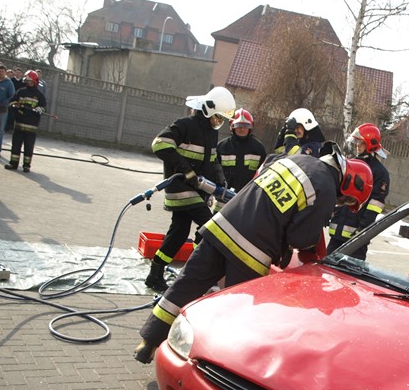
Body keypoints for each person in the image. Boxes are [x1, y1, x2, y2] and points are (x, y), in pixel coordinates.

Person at [133, 142, 374, 363]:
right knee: (237, 314)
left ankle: (149, 341)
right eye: (346, 201)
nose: (340, 204)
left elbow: (265, 168)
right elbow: (300, 238)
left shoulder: (297, 159)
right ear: (349, 183)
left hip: (220, 228)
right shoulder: (326, 188)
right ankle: (215, 363)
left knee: (186, 285)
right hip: (251, 252)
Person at [144, 86, 236, 292]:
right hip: (180, 188)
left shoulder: (211, 134)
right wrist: (186, 170)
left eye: (221, 119)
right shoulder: (185, 125)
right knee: (209, 225)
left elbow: (212, 160)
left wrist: (220, 180)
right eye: (217, 117)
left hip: (197, 189)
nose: (218, 122)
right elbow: (159, 144)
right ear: (208, 110)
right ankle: (194, 271)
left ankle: (155, 272)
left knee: (179, 232)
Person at [326, 123, 391, 259]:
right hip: (336, 234)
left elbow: (375, 206)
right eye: (356, 142)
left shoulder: (380, 173)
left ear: (370, 144)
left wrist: (361, 233)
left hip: (355, 242)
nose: (357, 145)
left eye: (361, 143)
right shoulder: (350, 164)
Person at [214, 108, 267, 212]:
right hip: (223, 199)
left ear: (251, 127)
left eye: (246, 126)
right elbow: (214, 170)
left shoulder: (259, 149)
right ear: (232, 126)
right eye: (238, 125)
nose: (242, 129)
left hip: (248, 200)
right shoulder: (222, 147)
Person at [4, 70, 47, 173]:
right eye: (27, 80)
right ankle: (13, 163)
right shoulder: (21, 91)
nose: (29, 82)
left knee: (29, 147)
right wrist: (14, 105)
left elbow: (44, 107)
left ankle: (26, 165)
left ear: (34, 81)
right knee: (16, 145)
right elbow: (12, 102)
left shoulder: (39, 95)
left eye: (30, 81)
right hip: (19, 124)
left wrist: (40, 109)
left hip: (31, 127)